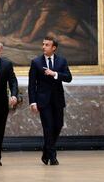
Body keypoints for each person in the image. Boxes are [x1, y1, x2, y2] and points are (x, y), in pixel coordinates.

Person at [28, 36, 72, 165]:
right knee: (48, 127)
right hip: (43, 101)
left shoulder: (62, 61)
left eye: (47, 45)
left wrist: (55, 74)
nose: (43, 47)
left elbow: (69, 78)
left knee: (58, 125)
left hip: (58, 100)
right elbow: (32, 84)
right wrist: (33, 102)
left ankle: (46, 151)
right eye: (43, 44)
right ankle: (52, 157)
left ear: (54, 48)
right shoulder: (36, 62)